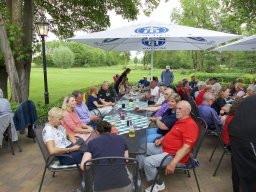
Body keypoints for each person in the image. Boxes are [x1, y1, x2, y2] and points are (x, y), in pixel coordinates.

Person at [137, 101, 199, 192]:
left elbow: (186, 148)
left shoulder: (190, 125)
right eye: (176, 108)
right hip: (165, 148)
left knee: (148, 161)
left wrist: (173, 163)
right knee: (142, 147)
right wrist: (161, 139)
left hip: (173, 154)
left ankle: (159, 184)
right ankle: (141, 170)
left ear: (187, 111)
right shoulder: (180, 121)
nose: (176, 111)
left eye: (180, 109)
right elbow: (171, 134)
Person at [81, 120, 131, 191]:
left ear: (97, 132)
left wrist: (96, 160)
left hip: (101, 188)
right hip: (124, 185)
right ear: (110, 130)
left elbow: (84, 166)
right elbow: (126, 159)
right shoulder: (121, 139)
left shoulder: (91, 143)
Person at [229, 96, 256, 192]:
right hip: (247, 137)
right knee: (249, 171)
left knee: (238, 167)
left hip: (236, 133)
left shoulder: (249, 99)